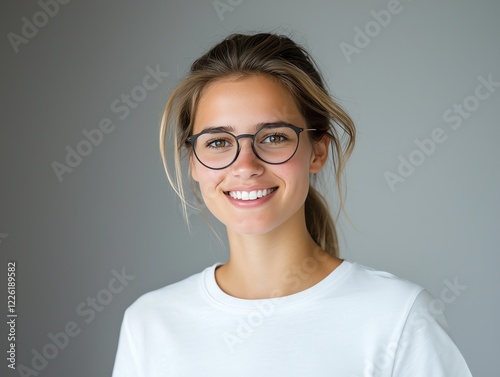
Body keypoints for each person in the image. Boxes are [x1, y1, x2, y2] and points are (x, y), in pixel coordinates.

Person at [111, 32, 473, 376]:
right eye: (218, 142)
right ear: (193, 162)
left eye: (273, 137)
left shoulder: (398, 317)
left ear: (317, 151)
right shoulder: (150, 324)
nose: (246, 167)